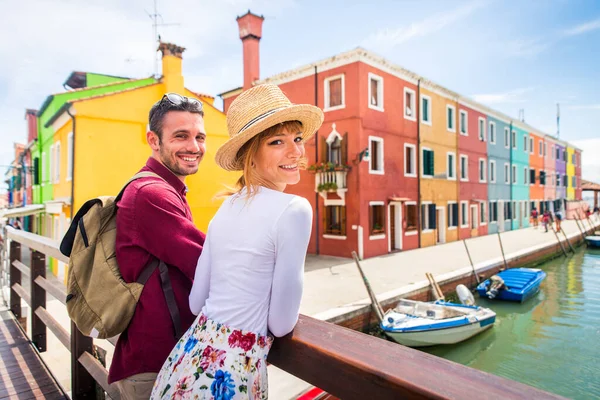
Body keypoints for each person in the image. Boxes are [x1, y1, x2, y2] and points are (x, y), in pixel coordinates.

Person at [151, 84, 323, 399]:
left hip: (186, 362)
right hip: (229, 375)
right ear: (250, 154)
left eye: (297, 139)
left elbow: (195, 302)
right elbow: (282, 323)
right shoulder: (294, 210)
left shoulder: (226, 208)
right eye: (277, 142)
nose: (296, 152)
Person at [108, 93, 207, 399]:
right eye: (181, 136)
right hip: (153, 369)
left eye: (200, 137)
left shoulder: (159, 187)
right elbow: (209, 262)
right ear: (153, 140)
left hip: (155, 362)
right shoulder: (151, 194)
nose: (194, 147)